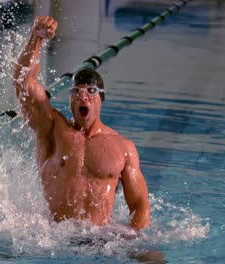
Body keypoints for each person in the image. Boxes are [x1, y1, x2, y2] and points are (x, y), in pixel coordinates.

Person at [13, 16, 150, 231]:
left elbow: (140, 205)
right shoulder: (51, 129)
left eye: (91, 91)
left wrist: (130, 237)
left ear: (101, 98)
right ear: (70, 99)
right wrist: (36, 38)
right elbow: (24, 82)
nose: (82, 97)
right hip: (55, 239)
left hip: (101, 240)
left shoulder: (124, 148)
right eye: (76, 92)